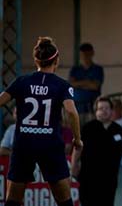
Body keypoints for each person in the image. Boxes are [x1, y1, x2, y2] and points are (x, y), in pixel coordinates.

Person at [0, 36, 82, 206]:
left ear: (36, 60)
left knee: (13, 200)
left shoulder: (22, 81)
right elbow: (71, 113)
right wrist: (77, 139)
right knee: (64, 200)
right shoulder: (62, 85)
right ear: (56, 60)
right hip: (50, 144)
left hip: (24, 143)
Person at [71, 96, 122, 206]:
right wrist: (74, 166)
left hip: (109, 180)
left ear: (112, 111)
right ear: (96, 111)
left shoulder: (119, 130)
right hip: (89, 179)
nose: (104, 111)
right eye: (101, 108)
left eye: (107, 108)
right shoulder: (87, 128)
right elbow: (77, 148)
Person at [69, 43, 104, 118]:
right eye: (83, 54)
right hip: (77, 107)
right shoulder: (75, 69)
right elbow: (71, 84)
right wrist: (87, 82)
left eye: (87, 54)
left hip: (93, 107)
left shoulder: (98, 69)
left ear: (92, 53)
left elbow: (95, 86)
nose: (85, 56)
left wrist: (78, 84)